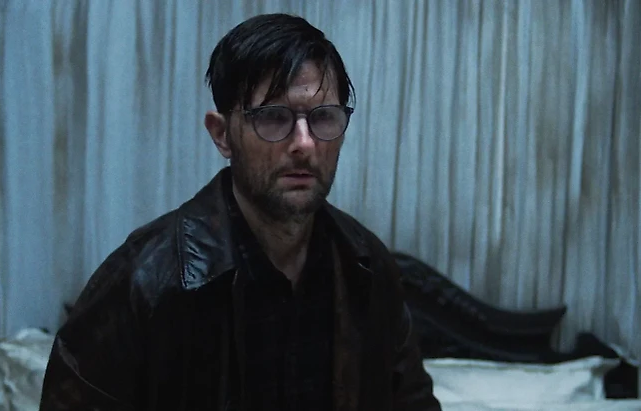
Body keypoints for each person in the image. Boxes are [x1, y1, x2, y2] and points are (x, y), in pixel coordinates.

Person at [40, 13, 441, 411]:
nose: (304, 143)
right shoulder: (147, 279)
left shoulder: (365, 266)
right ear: (222, 135)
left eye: (322, 117)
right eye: (273, 117)